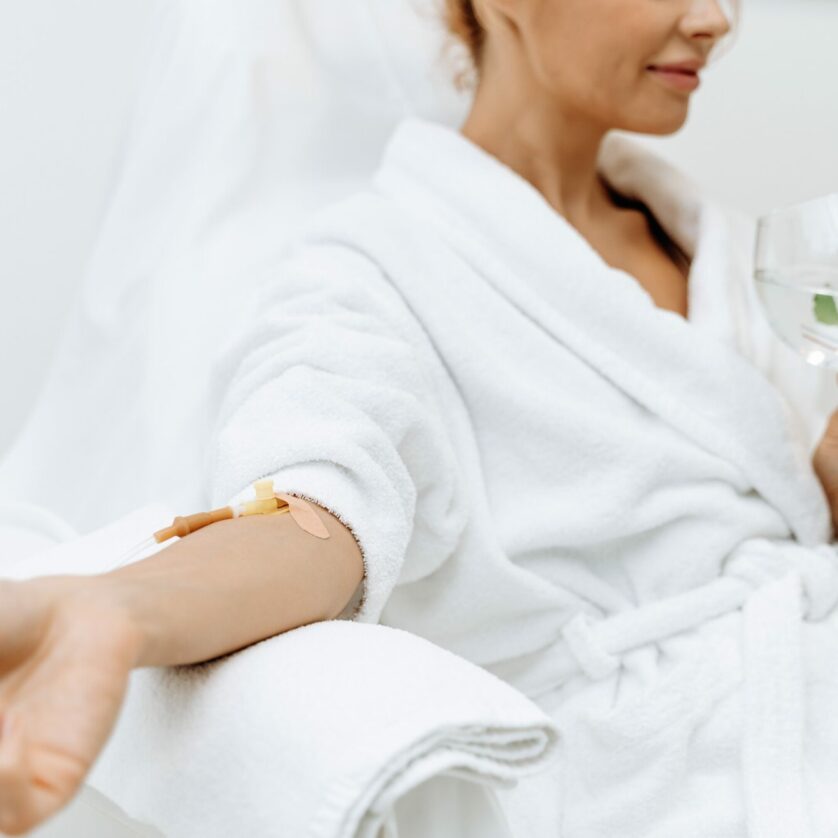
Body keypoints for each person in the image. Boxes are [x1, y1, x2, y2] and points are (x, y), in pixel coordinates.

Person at [2, 0, 838, 835]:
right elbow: (311, 506)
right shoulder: (370, 272)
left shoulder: (720, 244)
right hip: (661, 781)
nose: (715, 21)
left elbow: (757, 521)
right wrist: (115, 609)